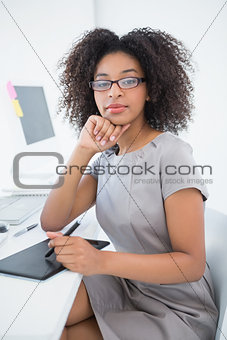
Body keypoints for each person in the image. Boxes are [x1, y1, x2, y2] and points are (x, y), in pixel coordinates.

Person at [40, 27, 219, 340]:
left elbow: (191, 264)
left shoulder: (172, 153)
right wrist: (82, 149)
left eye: (128, 80)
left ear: (150, 89)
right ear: (91, 92)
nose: (114, 92)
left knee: (62, 333)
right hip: (128, 283)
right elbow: (52, 220)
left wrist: (100, 260)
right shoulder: (106, 159)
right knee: (51, 314)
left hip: (177, 308)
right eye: (103, 82)